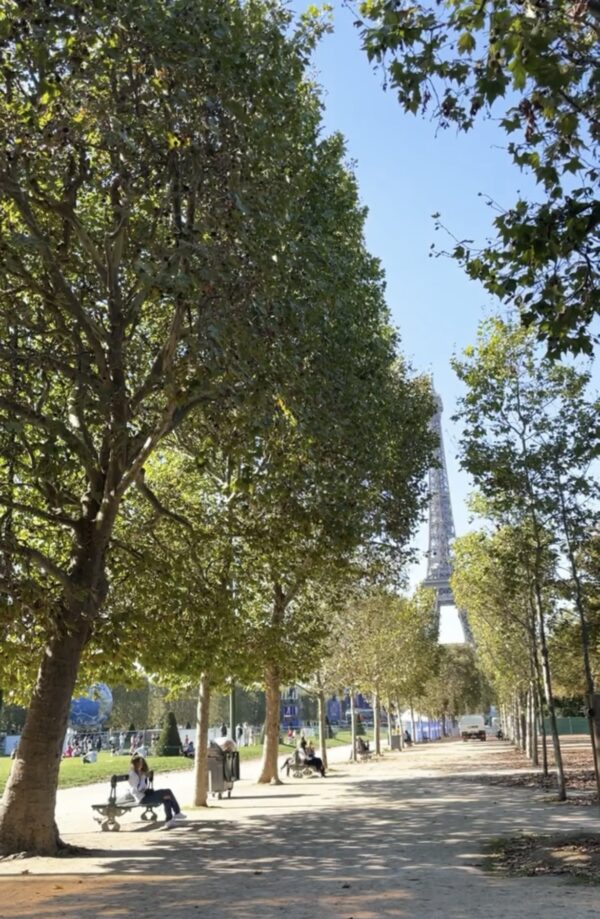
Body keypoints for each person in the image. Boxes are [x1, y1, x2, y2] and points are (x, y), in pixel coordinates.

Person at [129, 755, 187, 829]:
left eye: (142, 763)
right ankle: (176, 813)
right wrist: (142, 777)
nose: (141, 765)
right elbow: (137, 789)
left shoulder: (140, 772)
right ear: (135, 764)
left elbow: (143, 787)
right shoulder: (133, 775)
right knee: (167, 792)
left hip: (146, 795)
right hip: (142, 798)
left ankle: (169, 820)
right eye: (140, 763)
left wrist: (145, 776)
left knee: (167, 797)